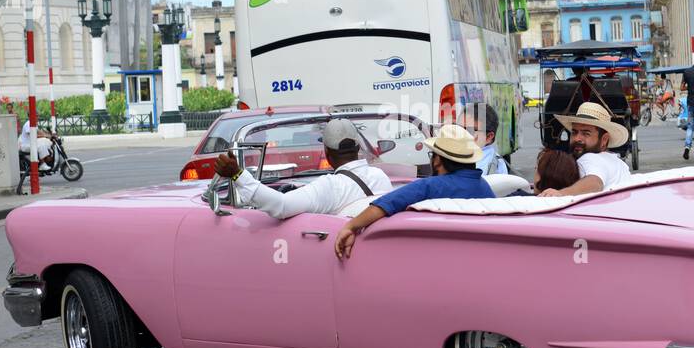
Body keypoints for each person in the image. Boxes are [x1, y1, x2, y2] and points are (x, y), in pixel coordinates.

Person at [334, 124, 493, 260]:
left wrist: (350, 226)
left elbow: (383, 205)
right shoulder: (484, 186)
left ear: (438, 160)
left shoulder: (430, 186)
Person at [210, 118, 391, 219]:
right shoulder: (380, 177)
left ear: (326, 153)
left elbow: (282, 206)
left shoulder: (330, 186)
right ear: (358, 147)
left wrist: (238, 175)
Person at [539, 101, 630, 196]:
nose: (577, 138)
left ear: (604, 140)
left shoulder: (590, 158)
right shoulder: (619, 163)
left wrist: (560, 193)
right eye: (574, 132)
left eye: (586, 133)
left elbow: (595, 183)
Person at [461, 103, 508, 175]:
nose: (461, 134)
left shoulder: (486, 166)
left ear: (488, 137)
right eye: (459, 128)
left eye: (469, 130)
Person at [8, 102, 53, 168]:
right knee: (41, 146)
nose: (38, 117)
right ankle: (42, 164)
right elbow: (33, 136)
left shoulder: (33, 123)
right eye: (37, 115)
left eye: (38, 115)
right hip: (25, 145)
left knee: (45, 142)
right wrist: (45, 136)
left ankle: (48, 158)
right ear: (32, 116)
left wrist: (49, 135)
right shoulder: (28, 124)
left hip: (30, 143)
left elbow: (39, 132)